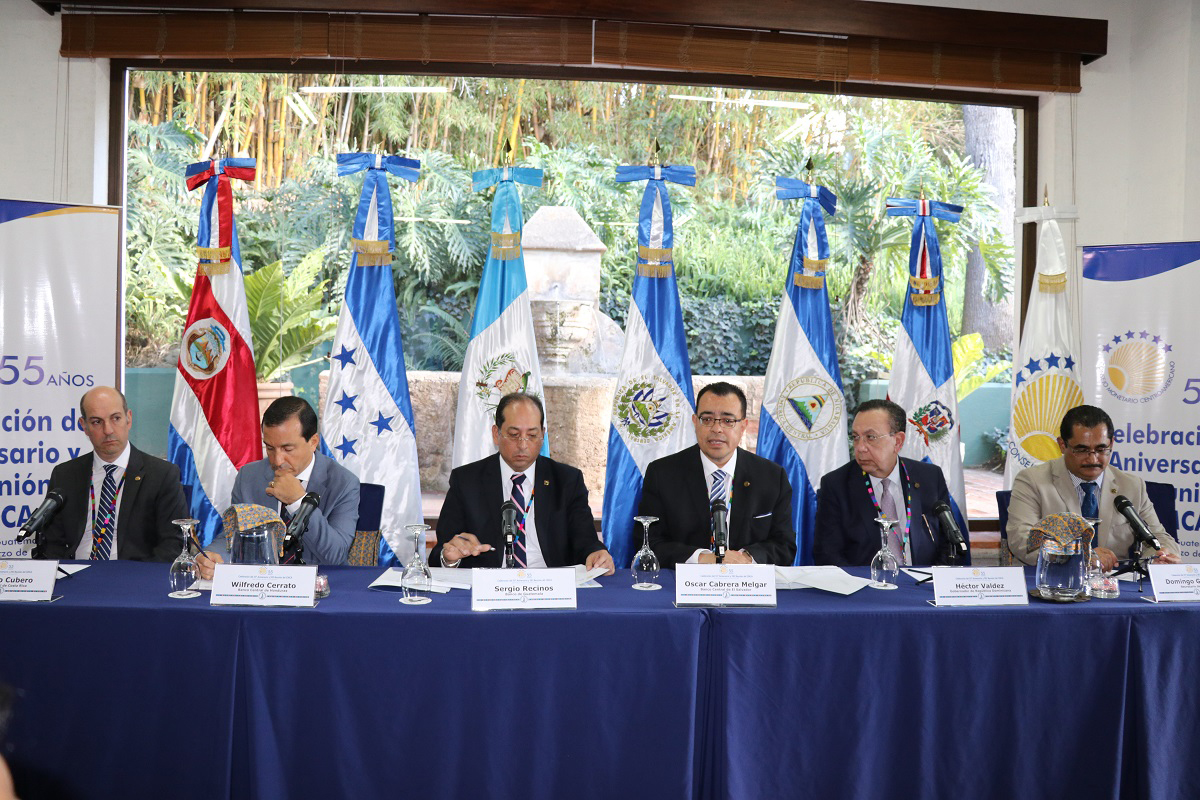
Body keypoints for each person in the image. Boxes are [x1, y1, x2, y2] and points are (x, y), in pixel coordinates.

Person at [431, 392, 615, 573]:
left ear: (542, 435)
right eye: (513, 434)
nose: (523, 445)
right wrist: (449, 558)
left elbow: (585, 539)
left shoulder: (566, 480)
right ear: (496, 434)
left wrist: (596, 553)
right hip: (489, 587)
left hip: (550, 586)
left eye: (532, 435)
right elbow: (442, 550)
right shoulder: (466, 481)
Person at [638, 381, 796, 568]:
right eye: (707, 419)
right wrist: (702, 558)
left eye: (728, 421)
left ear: (743, 426)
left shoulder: (771, 477)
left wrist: (746, 558)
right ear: (695, 422)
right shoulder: (662, 474)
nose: (717, 429)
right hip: (681, 587)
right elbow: (648, 543)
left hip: (749, 587)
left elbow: (784, 546)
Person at [198, 396, 359, 578]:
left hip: (319, 586)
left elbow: (335, 555)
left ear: (313, 442)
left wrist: (298, 502)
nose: (277, 460)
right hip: (260, 585)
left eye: (287, 449)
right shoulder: (249, 477)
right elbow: (233, 538)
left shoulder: (344, 483)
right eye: (270, 448)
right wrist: (211, 558)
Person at [1007, 404, 1180, 570]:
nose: (1093, 459)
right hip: (1055, 583)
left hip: (1113, 588)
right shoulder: (1032, 481)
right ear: (1062, 445)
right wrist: (1082, 556)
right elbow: (1022, 542)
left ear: (1111, 444)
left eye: (1101, 449)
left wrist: (1161, 554)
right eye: (1081, 450)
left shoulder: (1132, 486)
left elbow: (1159, 538)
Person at [37, 386, 187, 561]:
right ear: (84, 426)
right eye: (96, 422)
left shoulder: (162, 475)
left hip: (133, 577)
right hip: (75, 575)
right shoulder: (65, 475)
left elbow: (172, 544)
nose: (108, 430)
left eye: (115, 418)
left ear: (128, 419)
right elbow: (52, 542)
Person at [813, 398, 960, 567]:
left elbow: (949, 543)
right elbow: (827, 553)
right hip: (866, 586)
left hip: (922, 584)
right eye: (856, 437)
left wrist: (931, 580)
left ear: (897, 441)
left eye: (870, 437)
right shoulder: (836, 485)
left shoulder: (929, 477)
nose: (860, 447)